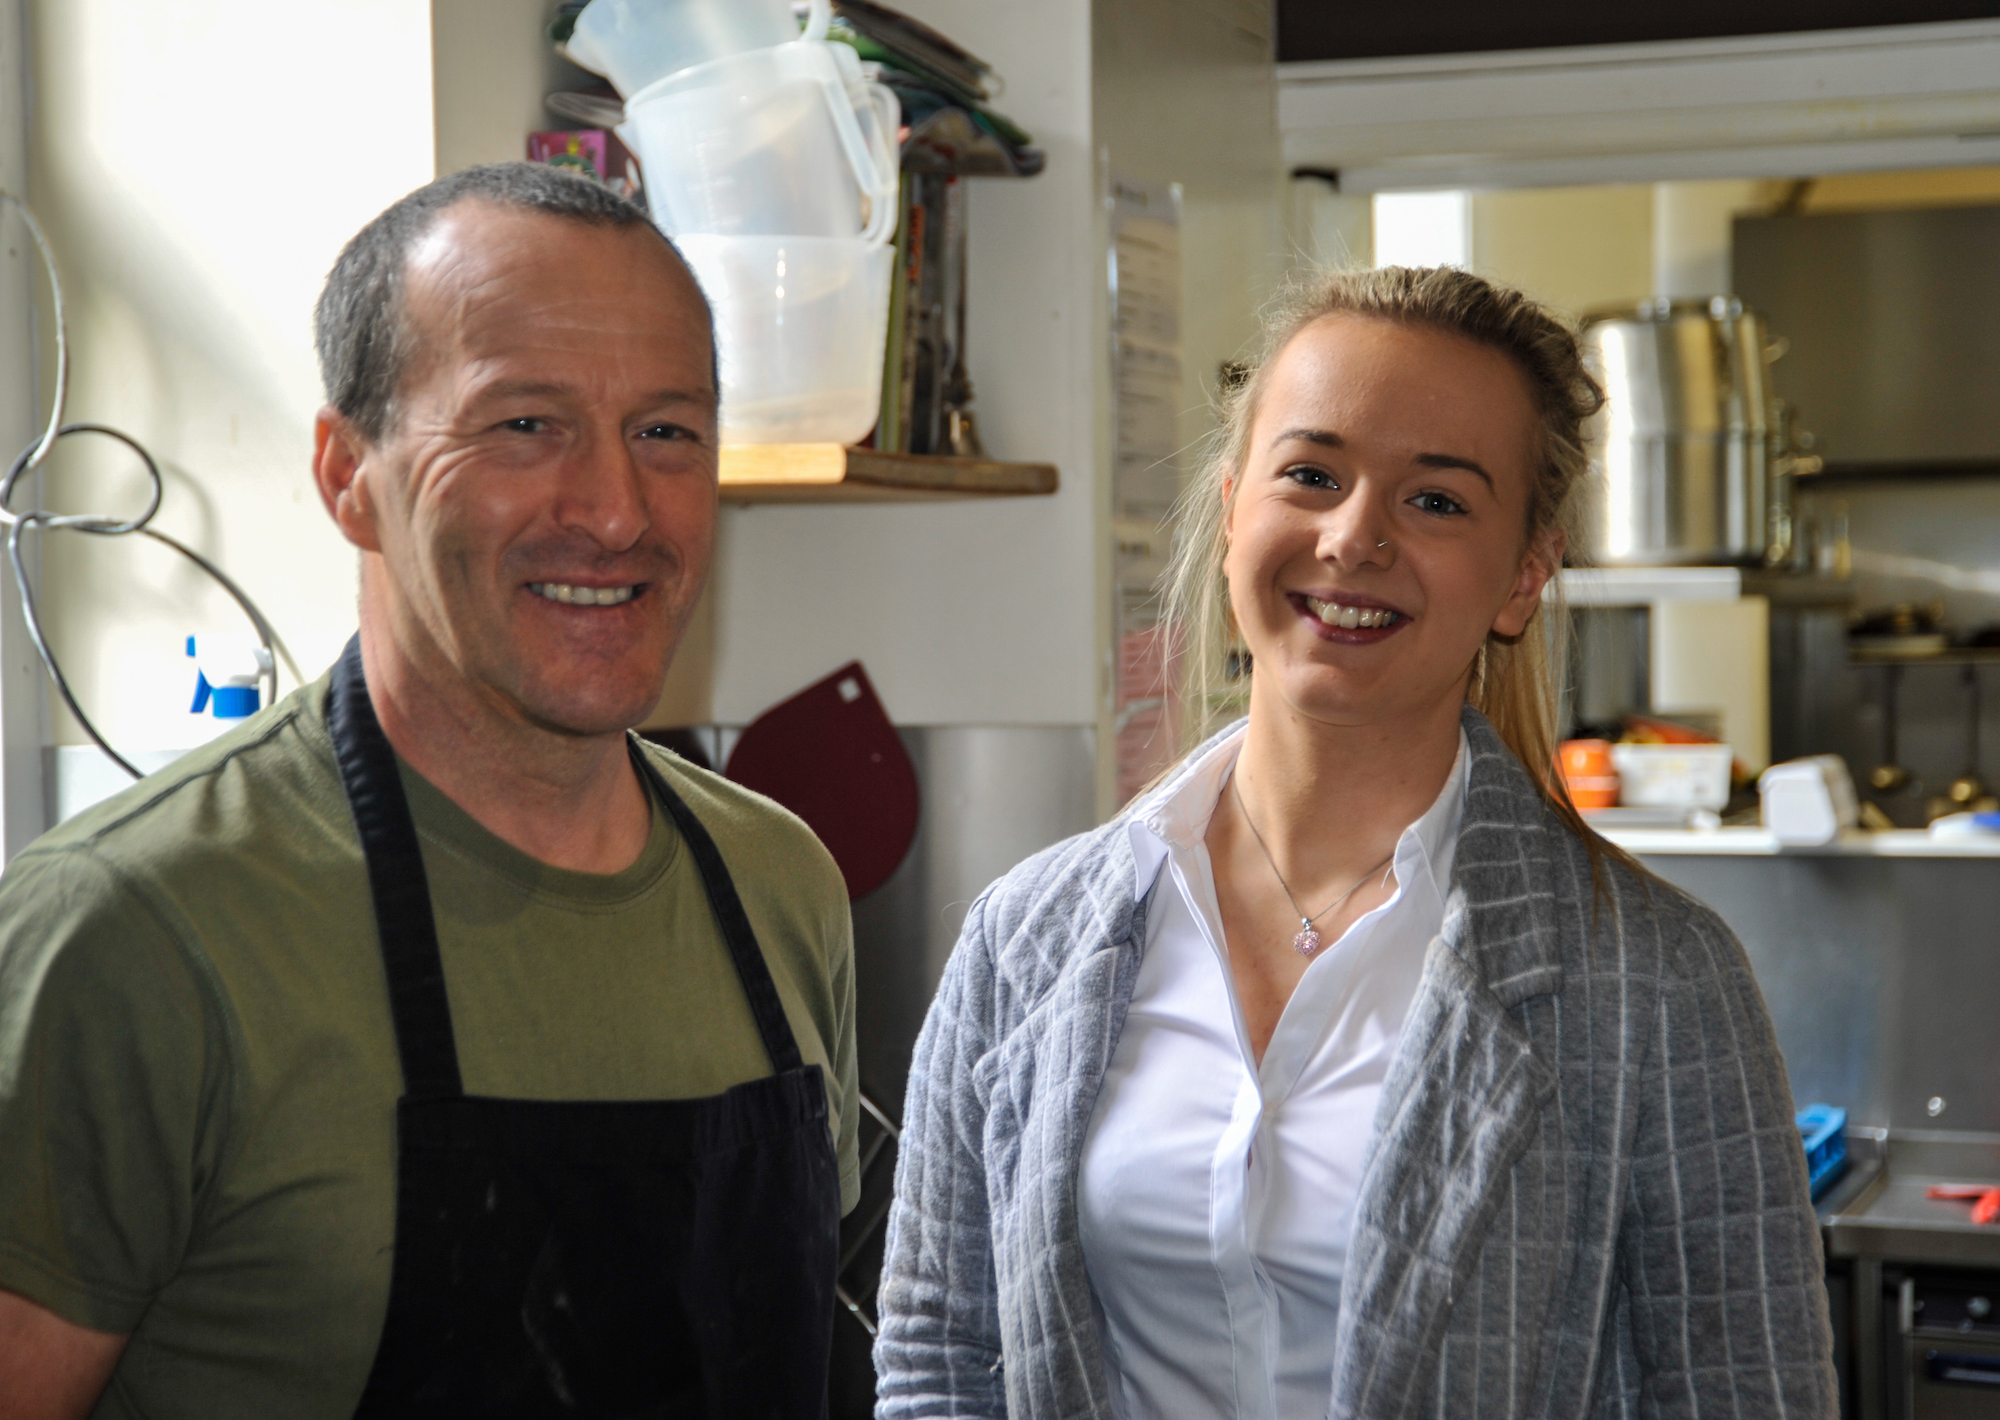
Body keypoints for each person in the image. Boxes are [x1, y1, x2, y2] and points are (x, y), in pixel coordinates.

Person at [873, 266, 1836, 1419]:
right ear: (1233, 506)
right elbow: (937, 1360)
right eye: (1310, 474)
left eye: (1434, 500)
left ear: (1522, 575)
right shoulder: (1022, 940)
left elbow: (1746, 1395)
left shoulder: (1655, 982)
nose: (1351, 537)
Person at [0, 163, 858, 1419]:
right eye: (524, 424)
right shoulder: (130, 930)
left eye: (666, 431)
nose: (615, 512)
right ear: (348, 472)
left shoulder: (779, 884)